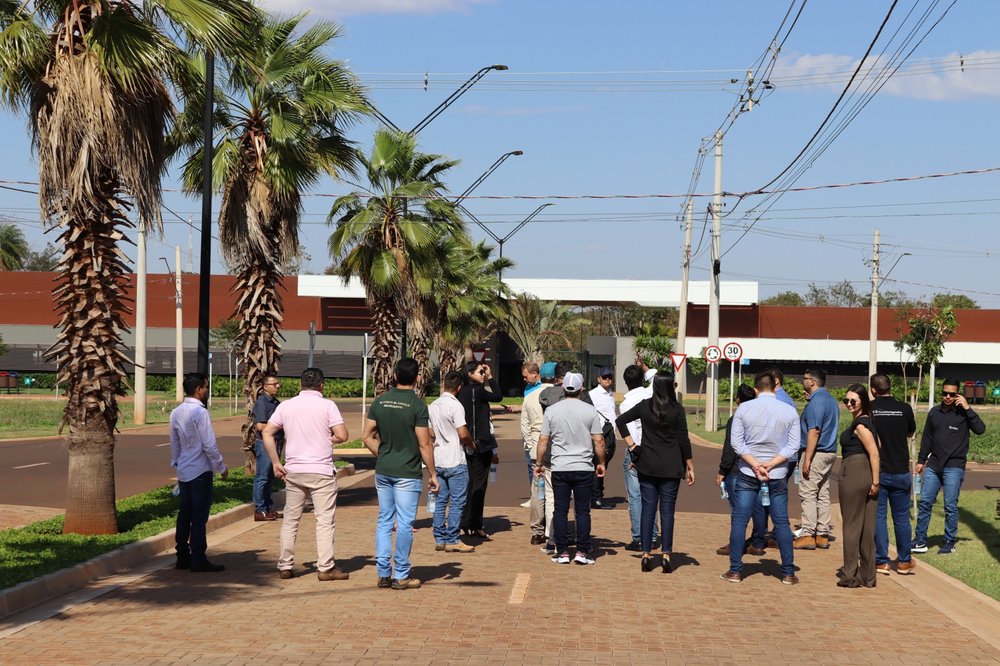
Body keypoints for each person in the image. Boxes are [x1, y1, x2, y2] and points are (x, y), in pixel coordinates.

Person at [262, 368, 350, 581]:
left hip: (294, 470)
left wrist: (275, 462)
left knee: (291, 520)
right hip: (321, 471)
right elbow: (342, 435)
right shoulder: (328, 405)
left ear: (300, 384)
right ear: (322, 385)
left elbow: (267, 432)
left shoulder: (286, 406)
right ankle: (326, 567)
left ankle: (285, 565)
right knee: (324, 520)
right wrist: (329, 439)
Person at [364, 358, 439, 590]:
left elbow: (367, 435)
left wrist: (384, 454)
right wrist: (433, 474)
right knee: (405, 523)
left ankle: (383, 573)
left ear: (394, 376)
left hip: (384, 469)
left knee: (385, 521)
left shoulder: (380, 401)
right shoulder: (417, 406)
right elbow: (425, 444)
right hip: (408, 472)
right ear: (417, 378)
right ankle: (402, 574)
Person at [721, 371, 800, 585]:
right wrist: (772, 463)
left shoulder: (744, 409)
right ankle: (788, 573)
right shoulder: (789, 411)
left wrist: (755, 464)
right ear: (776, 387)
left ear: (756, 389)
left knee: (740, 520)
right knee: (781, 522)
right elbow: (793, 446)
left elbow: (736, 443)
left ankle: (735, 570)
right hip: (777, 473)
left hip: (748, 471)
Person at [616, 372, 695, 573]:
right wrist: (689, 463)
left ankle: (645, 553)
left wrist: (633, 446)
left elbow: (620, 421)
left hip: (647, 464)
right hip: (671, 466)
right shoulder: (677, 409)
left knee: (648, 509)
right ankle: (666, 554)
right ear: (670, 387)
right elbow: (683, 439)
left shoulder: (645, 406)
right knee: (668, 512)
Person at [535, 372, 606, 566]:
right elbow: (598, 440)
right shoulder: (590, 410)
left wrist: (539, 463)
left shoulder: (552, 410)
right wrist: (601, 462)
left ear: (563, 388)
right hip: (584, 467)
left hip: (559, 466)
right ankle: (582, 551)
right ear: (582, 388)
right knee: (583, 510)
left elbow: (543, 440)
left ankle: (563, 551)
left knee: (560, 509)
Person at [913, 379, 986, 555]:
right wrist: (921, 461)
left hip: (954, 465)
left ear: (958, 395)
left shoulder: (963, 414)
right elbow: (927, 439)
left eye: (952, 394)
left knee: (950, 505)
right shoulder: (934, 413)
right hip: (934, 465)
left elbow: (980, 429)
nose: (947, 397)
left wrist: (968, 408)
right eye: (945, 393)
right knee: (925, 502)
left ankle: (949, 541)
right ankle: (920, 540)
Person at [170, 373, 228, 572]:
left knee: (184, 514)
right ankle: (198, 558)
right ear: (198, 390)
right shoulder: (200, 413)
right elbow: (209, 444)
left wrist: (177, 463)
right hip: (201, 470)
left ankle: (182, 556)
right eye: (206, 387)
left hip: (184, 470)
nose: (207, 390)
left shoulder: (176, 412)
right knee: (199, 516)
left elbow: (175, 443)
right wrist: (221, 467)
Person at [869, 373, 917, 575]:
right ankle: (904, 561)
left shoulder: (870, 409)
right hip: (901, 471)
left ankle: (882, 561)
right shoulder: (905, 408)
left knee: (879, 517)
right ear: (890, 387)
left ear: (873, 390)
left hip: (879, 472)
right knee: (901, 518)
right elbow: (910, 432)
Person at [837, 383, 881, 588]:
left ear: (863, 401)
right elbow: (877, 448)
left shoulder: (861, 425)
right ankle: (867, 576)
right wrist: (874, 480)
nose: (849, 404)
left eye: (853, 400)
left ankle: (849, 575)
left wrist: (876, 481)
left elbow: (874, 452)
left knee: (852, 525)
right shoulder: (868, 423)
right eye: (846, 400)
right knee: (866, 526)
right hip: (866, 474)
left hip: (855, 472)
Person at [428, 370, 476, 553]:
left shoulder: (433, 405)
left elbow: (431, 432)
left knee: (440, 501)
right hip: (456, 459)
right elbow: (462, 433)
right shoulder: (455, 406)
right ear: (459, 387)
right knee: (457, 502)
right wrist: (471, 444)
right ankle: (453, 539)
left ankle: (439, 537)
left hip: (439, 458)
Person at [794, 368, 839, 550]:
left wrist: (807, 458)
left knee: (808, 492)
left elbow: (814, 431)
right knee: (822, 492)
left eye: (804, 378)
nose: (802, 381)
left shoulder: (817, 401)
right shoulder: (829, 399)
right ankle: (822, 533)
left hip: (816, 452)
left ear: (812, 381)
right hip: (829, 452)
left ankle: (807, 534)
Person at [715, 384, 763, 556]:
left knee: (738, 512)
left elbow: (730, 449)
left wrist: (722, 471)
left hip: (737, 470)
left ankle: (735, 544)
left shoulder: (736, 419)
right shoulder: (760, 419)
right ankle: (757, 542)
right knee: (758, 507)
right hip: (758, 468)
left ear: (737, 400)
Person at [457, 360, 503, 539]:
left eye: (484, 372)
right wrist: (491, 378)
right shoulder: (479, 391)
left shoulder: (460, 392)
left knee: (468, 484)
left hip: (464, 443)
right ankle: (472, 523)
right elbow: (498, 396)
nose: (483, 374)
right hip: (480, 444)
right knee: (478, 485)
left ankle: (468, 522)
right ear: (469, 374)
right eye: (480, 372)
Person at [618, 364, 657, 551]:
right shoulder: (651, 393)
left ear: (625, 382)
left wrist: (634, 452)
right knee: (650, 495)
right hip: (654, 450)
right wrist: (646, 367)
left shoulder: (626, 403)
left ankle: (640, 537)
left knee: (635, 496)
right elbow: (656, 377)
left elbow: (630, 431)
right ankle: (654, 535)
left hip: (637, 450)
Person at [519, 362, 552, 545]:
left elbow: (524, 427)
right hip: (556, 449)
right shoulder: (560, 395)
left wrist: (531, 445)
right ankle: (552, 528)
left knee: (538, 491)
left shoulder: (530, 397)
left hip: (535, 448)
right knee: (554, 490)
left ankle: (537, 530)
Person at [252, 375, 283, 521]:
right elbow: (260, 426)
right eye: (274, 384)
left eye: (278, 384)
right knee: (262, 477)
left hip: (276, 442)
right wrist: (279, 427)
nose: (278, 386)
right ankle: (260, 510)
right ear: (265, 386)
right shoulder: (262, 402)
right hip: (264, 443)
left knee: (270, 477)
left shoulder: (276, 402)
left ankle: (269, 507)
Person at [589, 366, 617, 510]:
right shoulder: (593, 394)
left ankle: (598, 496)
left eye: (610, 377)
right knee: (598, 465)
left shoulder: (610, 394)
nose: (608, 379)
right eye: (605, 377)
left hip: (610, 435)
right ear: (598, 379)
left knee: (603, 466)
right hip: (599, 435)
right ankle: (596, 498)